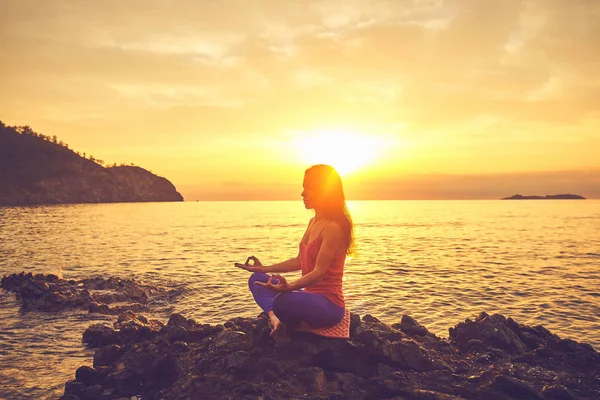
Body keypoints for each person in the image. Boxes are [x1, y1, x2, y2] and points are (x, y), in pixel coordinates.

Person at [235, 164, 355, 338]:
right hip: (308, 297)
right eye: (303, 188)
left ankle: (279, 316)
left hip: (329, 305)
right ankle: (276, 319)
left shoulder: (333, 228)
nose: (303, 194)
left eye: (309, 188)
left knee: (283, 301)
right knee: (256, 280)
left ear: (324, 191)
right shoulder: (313, 222)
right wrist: (262, 269)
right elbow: (299, 261)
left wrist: (288, 287)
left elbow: (319, 273)